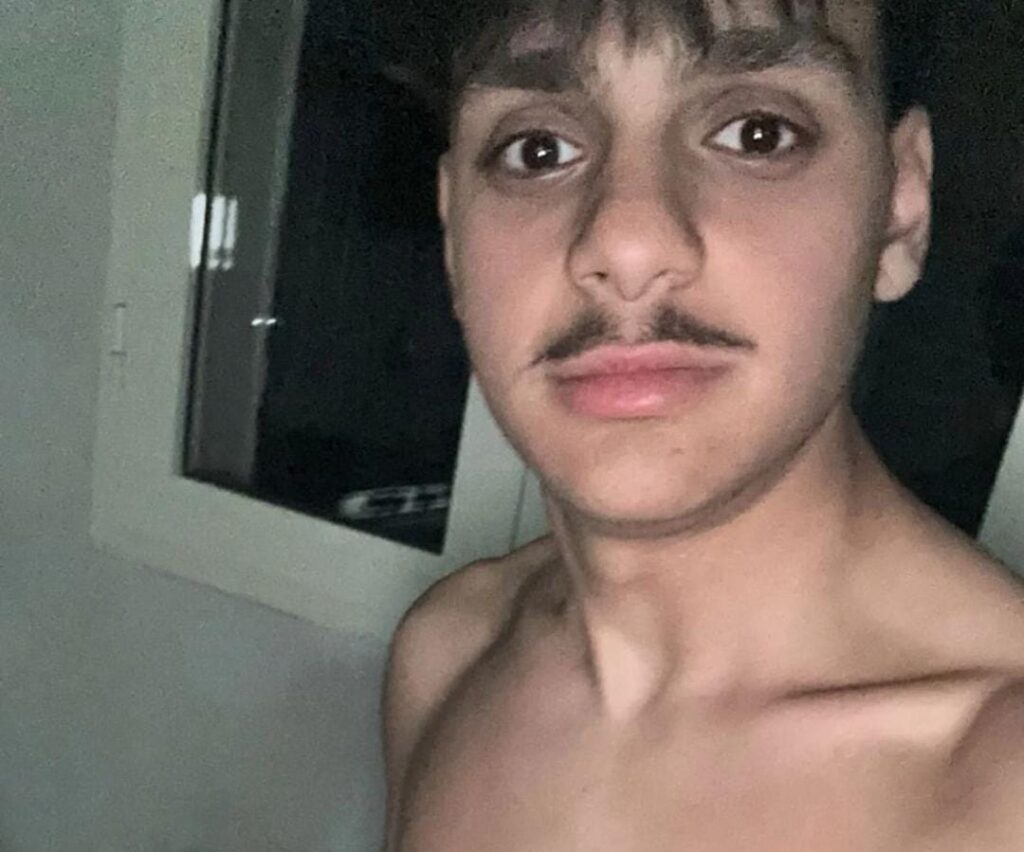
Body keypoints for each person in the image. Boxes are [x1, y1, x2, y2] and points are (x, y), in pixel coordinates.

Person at [382, 1, 1024, 848]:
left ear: (898, 210)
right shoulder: (445, 655)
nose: (626, 243)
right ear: (454, 238)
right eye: (537, 150)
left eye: (758, 134)